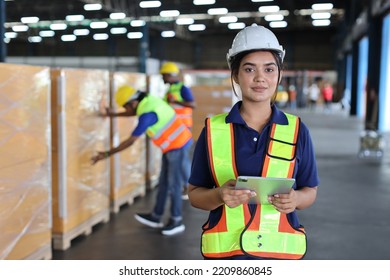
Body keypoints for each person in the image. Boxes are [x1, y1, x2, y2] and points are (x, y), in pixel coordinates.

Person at [187, 24, 319, 260]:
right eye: (249, 69)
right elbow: (196, 194)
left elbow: (310, 190)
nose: (260, 78)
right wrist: (219, 196)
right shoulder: (213, 131)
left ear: (279, 74)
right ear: (236, 75)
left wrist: (296, 199)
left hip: (280, 255)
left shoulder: (297, 130)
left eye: (269, 69)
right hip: (227, 256)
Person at [91, 85, 193, 236]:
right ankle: (156, 216)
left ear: (132, 103)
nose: (126, 110)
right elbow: (132, 112)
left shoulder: (147, 115)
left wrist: (106, 154)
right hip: (173, 146)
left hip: (177, 146)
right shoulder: (148, 101)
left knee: (174, 184)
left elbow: (131, 141)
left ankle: (176, 221)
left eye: (126, 107)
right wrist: (114, 115)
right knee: (164, 183)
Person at [160, 62, 196, 200]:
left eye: (163, 75)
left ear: (170, 75)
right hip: (174, 129)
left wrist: (176, 101)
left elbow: (193, 104)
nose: (162, 78)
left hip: (183, 128)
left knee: (182, 160)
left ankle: (189, 188)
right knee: (178, 159)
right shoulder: (170, 90)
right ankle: (184, 187)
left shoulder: (182, 88)